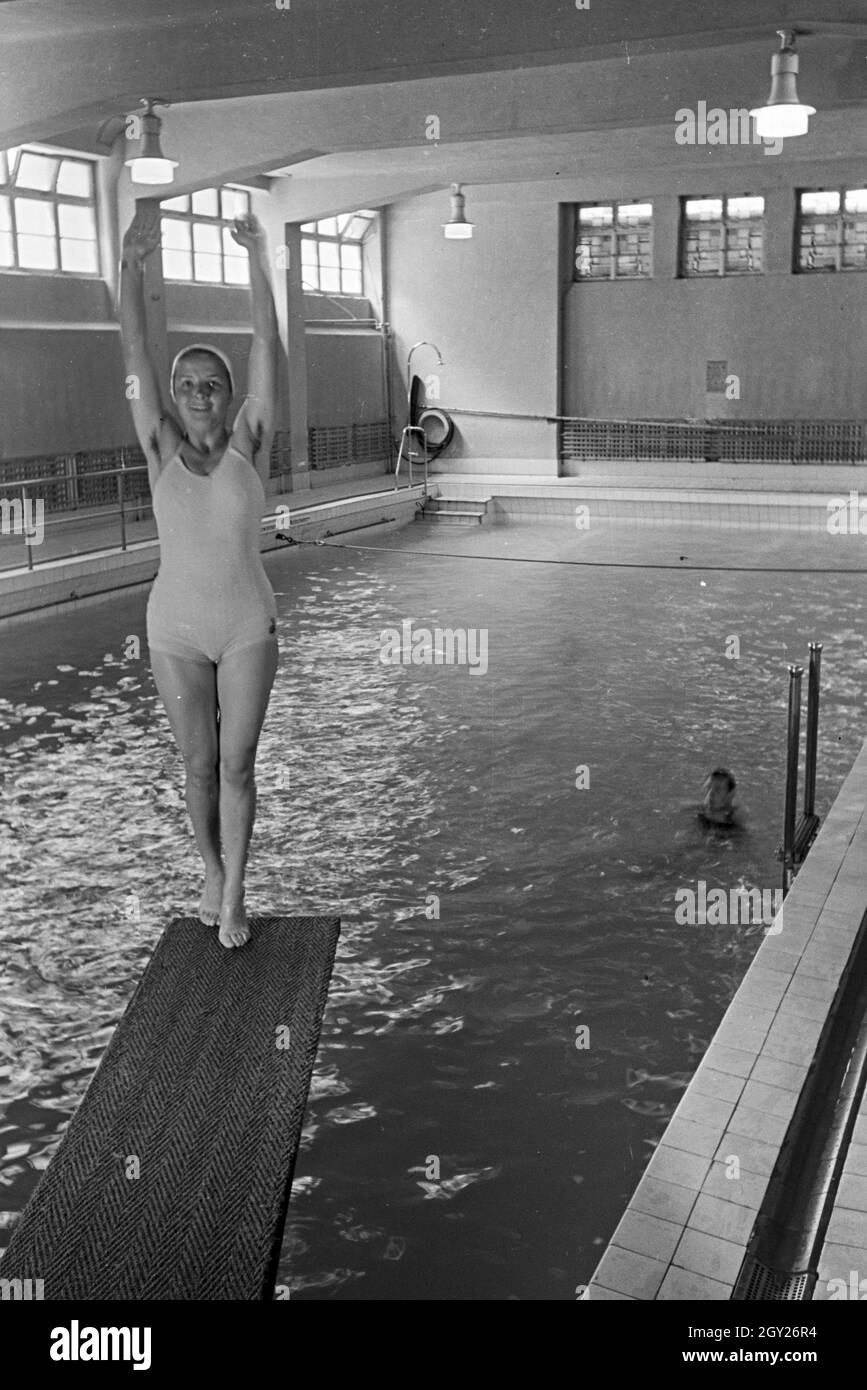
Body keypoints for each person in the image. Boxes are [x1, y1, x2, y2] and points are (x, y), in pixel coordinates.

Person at [119, 202, 279, 948]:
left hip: (247, 623)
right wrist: (130, 265)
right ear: (175, 398)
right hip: (175, 628)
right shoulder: (158, 447)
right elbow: (134, 348)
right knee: (198, 763)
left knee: (238, 766)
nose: (200, 391)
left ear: (228, 393)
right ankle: (211, 870)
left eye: (212, 381)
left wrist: (256, 257)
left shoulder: (251, 440)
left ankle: (238, 892)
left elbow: (264, 342)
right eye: (188, 383)